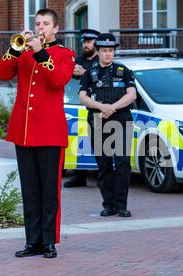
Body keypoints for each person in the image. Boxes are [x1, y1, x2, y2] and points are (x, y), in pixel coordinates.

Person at [0, 8, 76, 258]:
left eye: (45, 24)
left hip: (50, 133)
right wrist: (15, 49)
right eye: (37, 23)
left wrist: (39, 51)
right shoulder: (23, 54)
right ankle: (33, 241)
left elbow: (57, 81)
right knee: (29, 190)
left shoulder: (65, 54)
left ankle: (49, 241)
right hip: (25, 132)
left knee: (49, 191)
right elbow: (1, 73)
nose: (40, 28)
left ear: (56, 29)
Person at [79, 33, 137, 217]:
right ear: (98, 51)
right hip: (97, 120)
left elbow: (132, 95)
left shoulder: (123, 70)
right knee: (103, 164)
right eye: (104, 51)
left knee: (122, 163)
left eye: (110, 51)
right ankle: (108, 204)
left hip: (120, 119)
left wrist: (112, 107)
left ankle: (121, 206)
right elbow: (82, 98)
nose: (107, 54)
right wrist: (101, 107)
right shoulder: (89, 73)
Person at [64, 28, 101, 188]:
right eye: (84, 42)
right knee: (80, 142)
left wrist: (85, 73)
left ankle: (102, 175)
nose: (85, 45)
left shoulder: (102, 60)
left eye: (88, 42)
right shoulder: (77, 59)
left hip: (97, 106)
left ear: (96, 43)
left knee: (99, 143)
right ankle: (80, 176)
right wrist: (71, 71)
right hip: (76, 105)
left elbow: (102, 79)